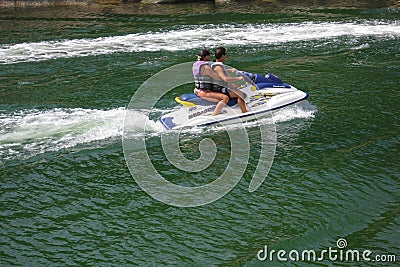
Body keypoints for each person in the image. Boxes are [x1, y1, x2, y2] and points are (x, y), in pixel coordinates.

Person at [192, 49, 232, 116]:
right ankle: (214, 115)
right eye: (208, 56)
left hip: (196, 90)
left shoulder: (195, 65)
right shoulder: (206, 67)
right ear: (206, 57)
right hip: (203, 92)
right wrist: (224, 75)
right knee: (225, 98)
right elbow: (217, 78)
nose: (209, 57)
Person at [212, 47, 247, 113]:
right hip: (219, 89)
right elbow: (225, 78)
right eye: (225, 55)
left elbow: (220, 73)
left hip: (220, 86)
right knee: (240, 94)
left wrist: (230, 70)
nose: (225, 57)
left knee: (235, 87)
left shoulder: (214, 64)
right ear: (222, 56)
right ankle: (244, 112)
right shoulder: (218, 67)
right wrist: (238, 78)